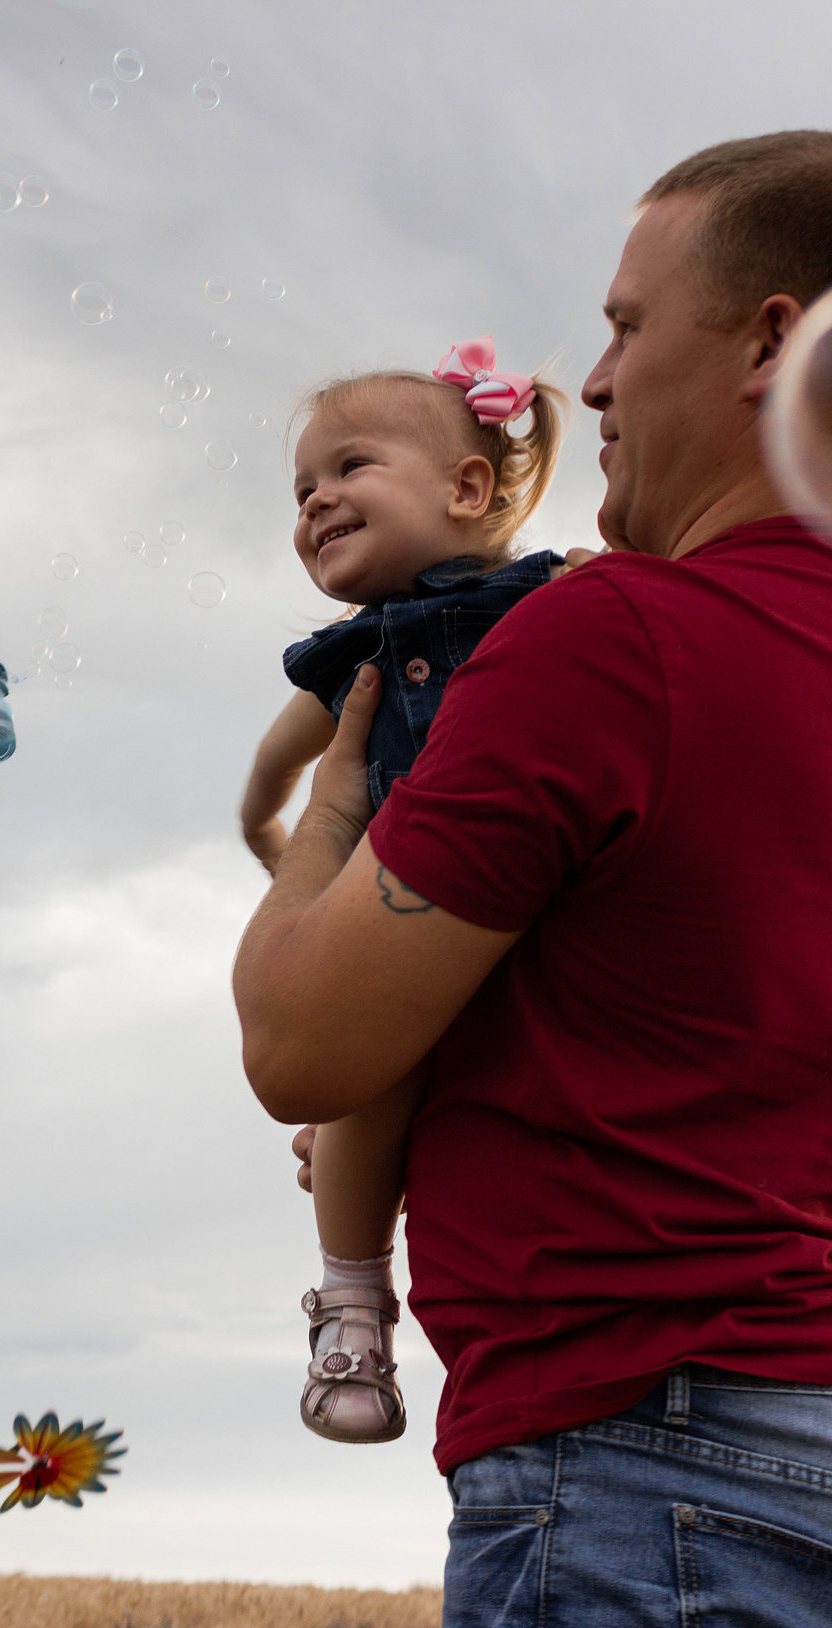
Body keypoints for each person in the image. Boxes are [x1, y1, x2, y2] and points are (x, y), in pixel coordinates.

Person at [233, 130, 832, 1628]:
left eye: (631, 327)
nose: (593, 380)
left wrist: (329, 804)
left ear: (776, 339)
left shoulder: (613, 635)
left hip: (657, 1461)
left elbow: (300, 1038)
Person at [237, 338, 571, 1446]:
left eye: (348, 468)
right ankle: (352, 1300)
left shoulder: (554, 598)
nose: (317, 499)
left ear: (469, 488)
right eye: (302, 490)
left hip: (518, 918)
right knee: (359, 1092)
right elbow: (292, 740)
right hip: (391, 935)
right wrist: (255, 809)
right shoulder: (351, 653)